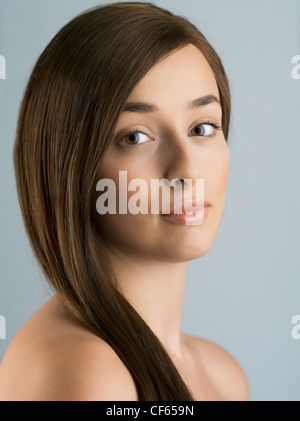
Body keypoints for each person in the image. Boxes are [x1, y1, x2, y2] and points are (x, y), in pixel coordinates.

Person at [0, 1, 249, 401]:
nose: (186, 169)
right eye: (135, 137)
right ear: (71, 167)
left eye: (202, 127)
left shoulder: (224, 375)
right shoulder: (82, 374)